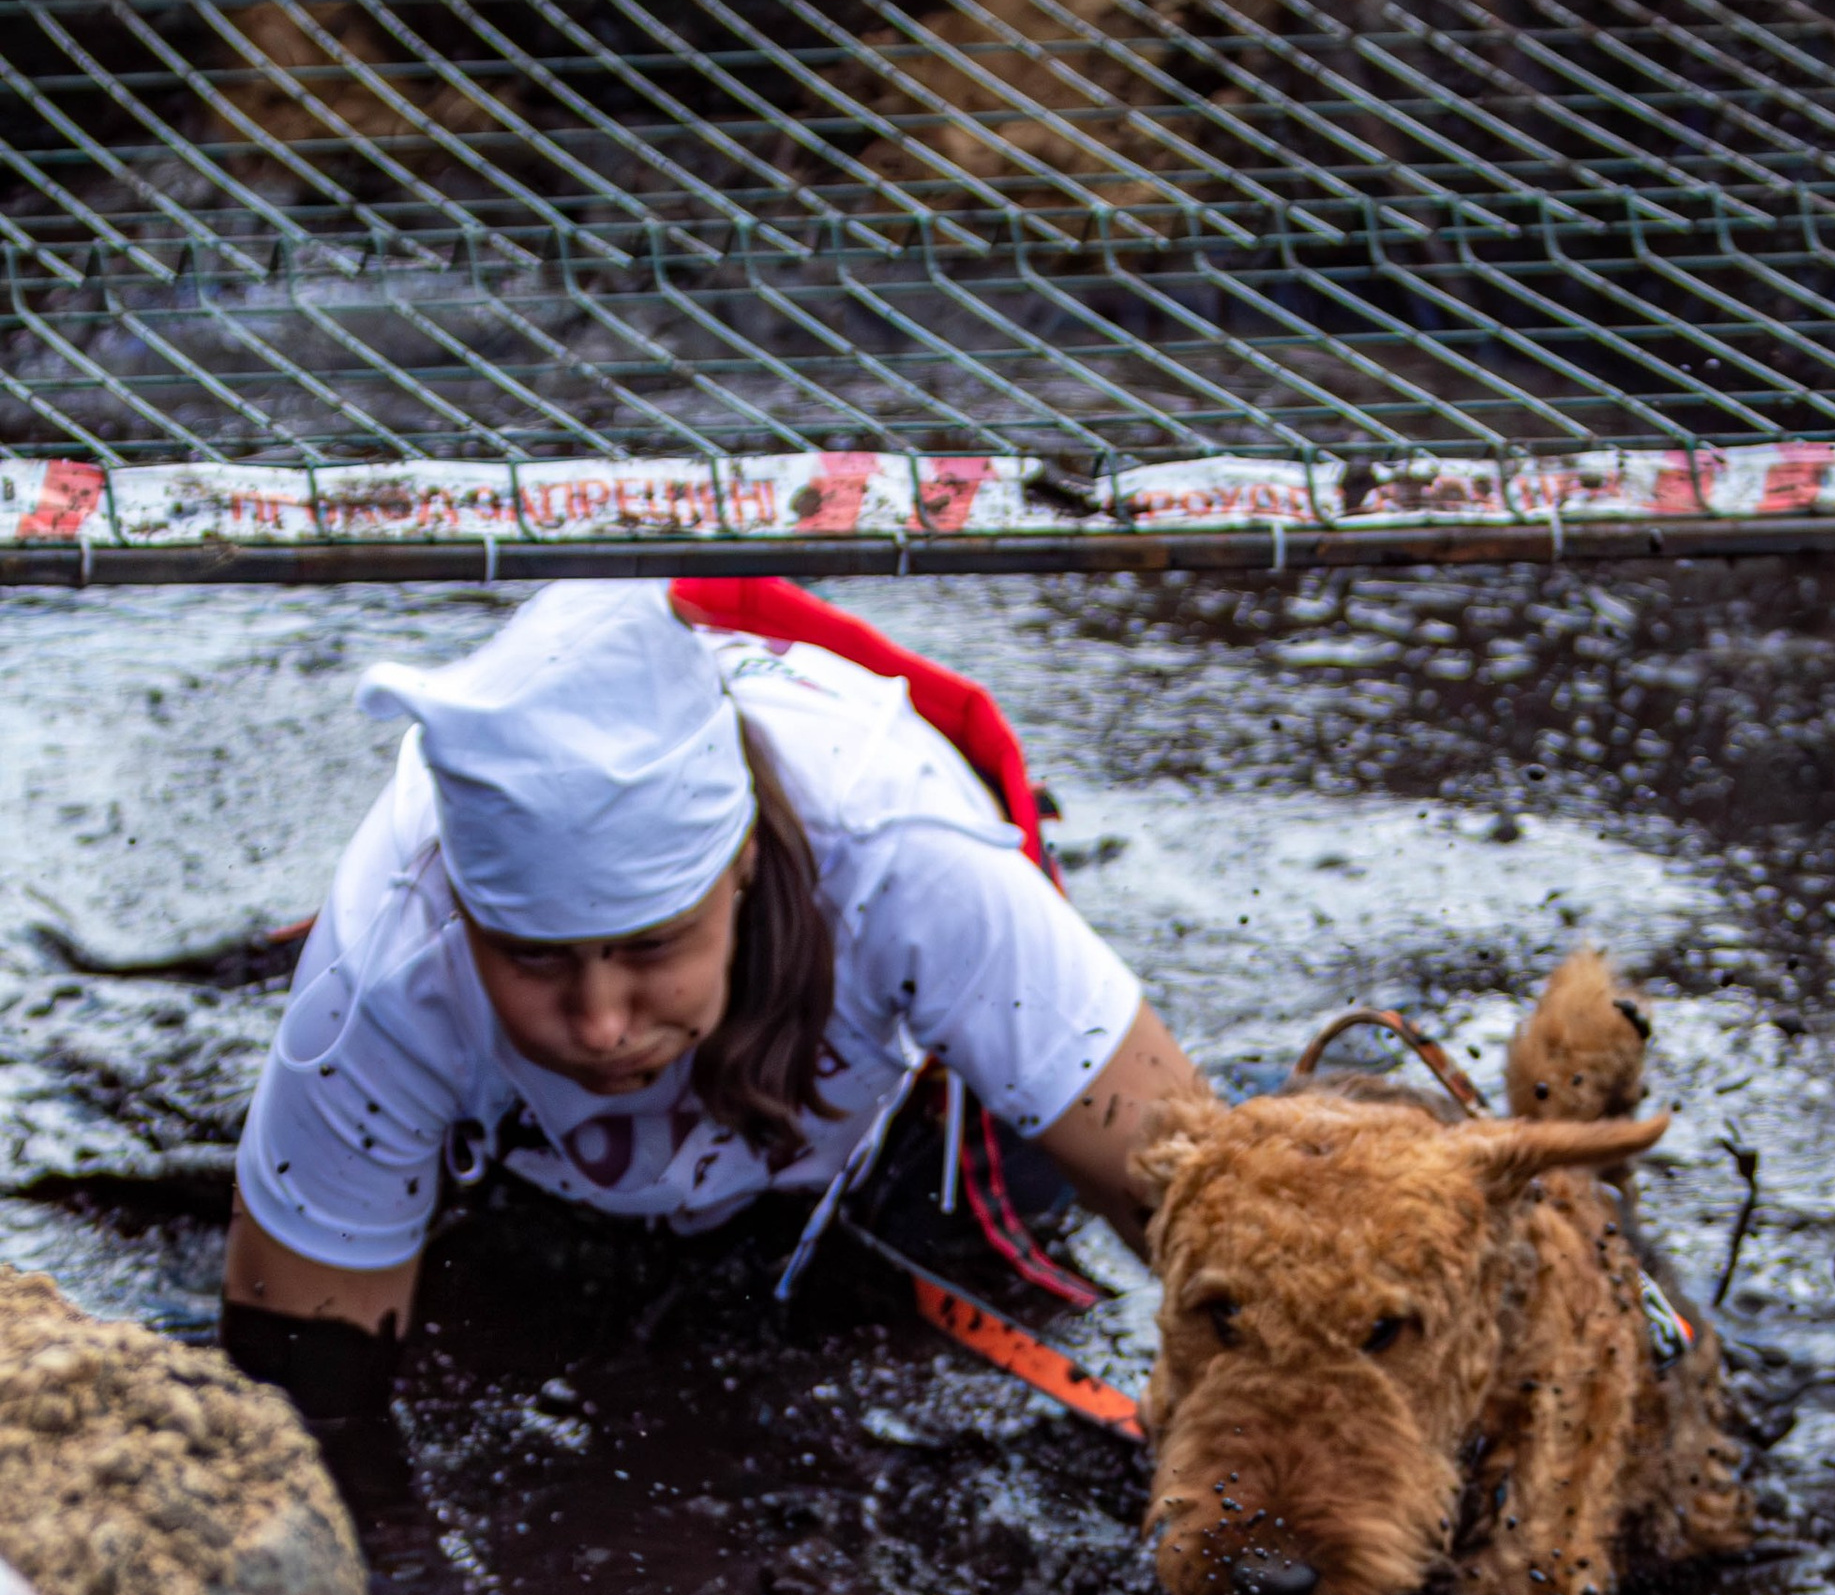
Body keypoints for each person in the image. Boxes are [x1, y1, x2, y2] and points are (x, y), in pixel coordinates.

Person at [220, 577, 1201, 1420]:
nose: (601, 1022)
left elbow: (1221, 1224)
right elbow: (299, 1394)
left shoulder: (910, 859)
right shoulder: (384, 963)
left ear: (737, 865)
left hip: (895, 1131)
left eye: (650, 947)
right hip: (550, 1186)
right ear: (465, 918)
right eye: (535, 959)